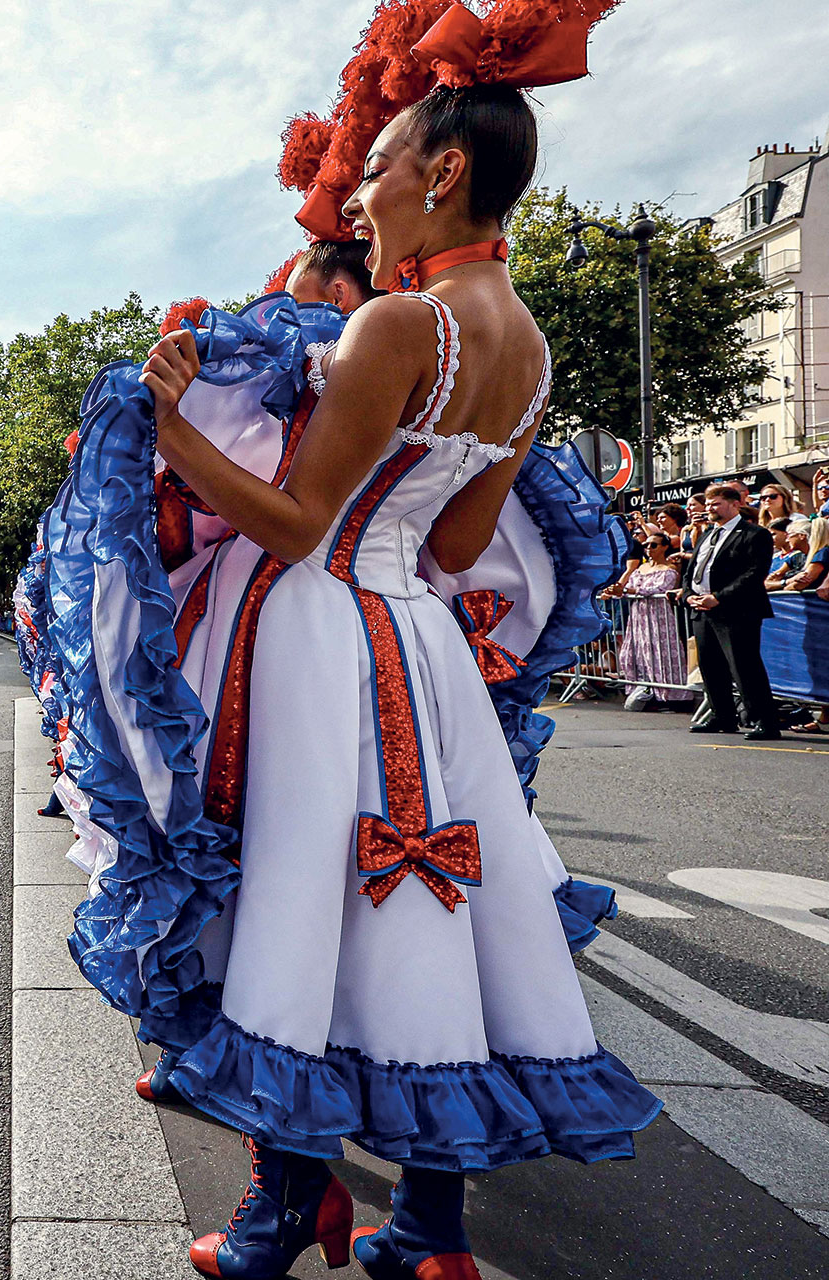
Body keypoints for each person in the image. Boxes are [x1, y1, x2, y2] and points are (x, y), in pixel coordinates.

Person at [61, 12, 659, 1275]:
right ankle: (425, 1223)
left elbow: (289, 526)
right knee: (424, 911)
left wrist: (168, 427)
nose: (365, 197)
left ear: (442, 174)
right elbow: (453, 551)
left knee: (302, 891)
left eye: (383, 166)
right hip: (422, 644)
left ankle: (282, 1212)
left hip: (319, 630)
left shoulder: (397, 328)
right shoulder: (529, 351)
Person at [681, 483, 780, 739]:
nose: (711, 509)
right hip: (702, 610)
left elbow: (754, 574)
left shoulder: (753, 534)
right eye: (709, 504)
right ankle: (722, 715)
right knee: (710, 667)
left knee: (744, 666)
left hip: (737, 611)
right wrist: (690, 595)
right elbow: (692, 572)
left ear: (736, 504)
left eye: (717, 504)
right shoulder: (705, 535)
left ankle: (764, 721)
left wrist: (719, 597)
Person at [615, 534, 694, 710]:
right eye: (646, 545)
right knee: (635, 654)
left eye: (653, 545)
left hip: (659, 617)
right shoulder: (640, 568)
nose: (649, 548)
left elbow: (660, 588)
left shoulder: (669, 569)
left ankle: (672, 695)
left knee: (661, 653)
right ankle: (645, 690)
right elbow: (630, 590)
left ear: (665, 547)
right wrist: (620, 590)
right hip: (638, 617)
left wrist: (630, 589)